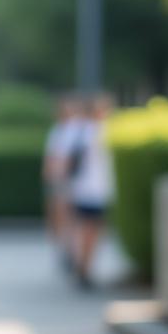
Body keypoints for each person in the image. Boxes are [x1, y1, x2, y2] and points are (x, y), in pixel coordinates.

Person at [67, 94, 115, 289]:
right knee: (91, 231)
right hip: (95, 190)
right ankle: (85, 268)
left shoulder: (78, 131)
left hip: (82, 188)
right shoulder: (98, 131)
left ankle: (82, 265)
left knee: (84, 229)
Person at [42, 96, 83, 265]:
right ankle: (65, 247)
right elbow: (51, 157)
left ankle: (71, 249)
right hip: (59, 180)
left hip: (70, 180)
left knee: (70, 216)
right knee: (60, 215)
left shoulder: (75, 130)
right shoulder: (57, 131)